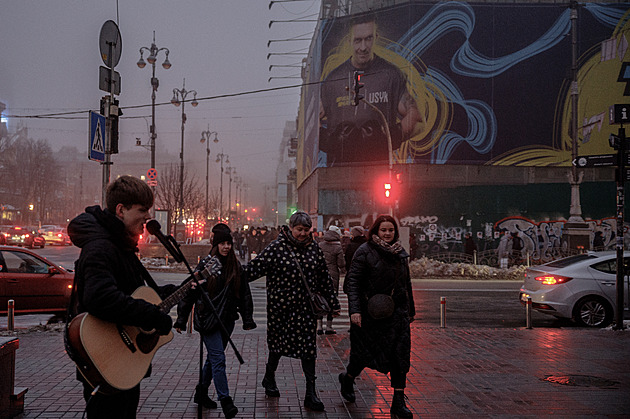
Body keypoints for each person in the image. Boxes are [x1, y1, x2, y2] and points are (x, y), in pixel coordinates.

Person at [66, 175, 176, 418]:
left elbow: (129, 293)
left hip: (122, 362)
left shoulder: (119, 245)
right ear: (120, 210)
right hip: (105, 359)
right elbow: (100, 297)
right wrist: (152, 316)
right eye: (142, 210)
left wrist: (168, 294)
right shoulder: (101, 247)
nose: (148, 216)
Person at [244, 211, 341, 411]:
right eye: (299, 230)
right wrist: (230, 274)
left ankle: (310, 393)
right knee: (277, 346)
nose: (303, 234)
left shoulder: (314, 248)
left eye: (306, 230)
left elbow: (323, 277)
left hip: (305, 310)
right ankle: (269, 378)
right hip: (281, 308)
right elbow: (255, 269)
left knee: (308, 350)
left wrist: (333, 303)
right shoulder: (277, 248)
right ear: (290, 228)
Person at [174, 223, 256, 419]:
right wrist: (181, 319)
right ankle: (226, 400)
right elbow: (190, 293)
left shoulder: (235, 266)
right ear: (216, 245)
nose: (226, 247)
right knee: (219, 359)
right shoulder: (207, 265)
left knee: (212, 359)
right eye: (222, 244)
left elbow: (245, 293)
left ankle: (201, 393)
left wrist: (247, 318)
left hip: (227, 320)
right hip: (208, 320)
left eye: (229, 243)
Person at [319, 15, 423, 166]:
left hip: (380, 169)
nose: (363, 47)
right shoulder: (333, 80)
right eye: (357, 40)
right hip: (339, 170)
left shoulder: (391, 75)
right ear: (349, 41)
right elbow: (312, 125)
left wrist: (388, 137)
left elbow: (417, 119)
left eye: (368, 39)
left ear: (376, 37)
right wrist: (331, 142)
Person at [340, 215, 415, 418]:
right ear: (375, 231)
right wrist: (354, 311)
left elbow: (405, 284)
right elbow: (352, 283)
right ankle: (348, 378)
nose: (387, 233)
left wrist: (411, 311)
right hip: (369, 315)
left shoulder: (400, 253)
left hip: (397, 315)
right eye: (383, 230)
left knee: (400, 357)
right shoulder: (364, 252)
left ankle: (398, 402)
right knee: (363, 356)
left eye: (391, 230)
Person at [317, 225, 346, 334]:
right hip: (333, 275)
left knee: (319, 298)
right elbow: (341, 264)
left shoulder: (320, 245)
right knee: (331, 299)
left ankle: (319, 326)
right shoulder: (338, 247)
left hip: (320, 275)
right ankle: (329, 327)